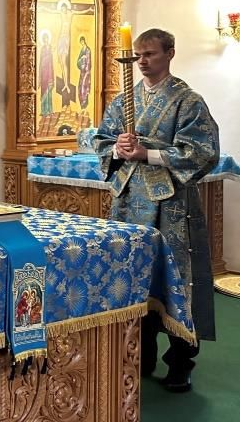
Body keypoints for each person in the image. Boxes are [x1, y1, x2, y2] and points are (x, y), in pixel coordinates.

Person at [92, 28, 219, 393]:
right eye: (138, 54)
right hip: (129, 203)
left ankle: (181, 362)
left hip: (171, 206)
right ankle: (140, 354)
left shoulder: (188, 101)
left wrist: (147, 153)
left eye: (150, 54)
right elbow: (101, 140)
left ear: (170, 53)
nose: (142, 61)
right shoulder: (124, 100)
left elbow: (203, 152)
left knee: (176, 277)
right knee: (135, 276)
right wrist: (117, 148)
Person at [76, 35, 92, 109]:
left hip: (86, 72)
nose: (82, 43)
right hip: (82, 72)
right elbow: (78, 60)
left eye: (82, 41)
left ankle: (85, 103)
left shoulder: (88, 50)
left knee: (84, 86)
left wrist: (86, 69)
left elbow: (89, 61)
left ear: (84, 41)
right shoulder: (82, 50)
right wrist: (81, 59)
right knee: (80, 87)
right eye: (81, 42)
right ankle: (82, 103)